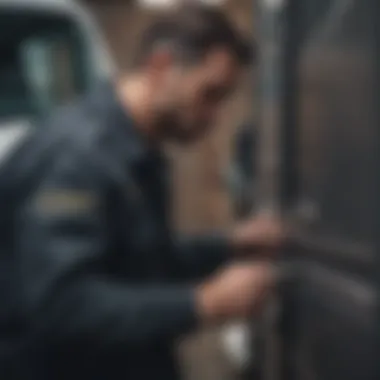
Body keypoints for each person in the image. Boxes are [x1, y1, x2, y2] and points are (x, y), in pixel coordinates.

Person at [0, 5, 286, 380]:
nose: (214, 117)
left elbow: (143, 263)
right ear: (161, 67)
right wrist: (202, 303)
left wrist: (231, 244)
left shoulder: (137, 151)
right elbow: (61, 304)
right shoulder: (77, 158)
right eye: (210, 94)